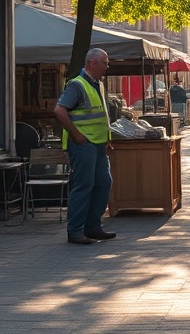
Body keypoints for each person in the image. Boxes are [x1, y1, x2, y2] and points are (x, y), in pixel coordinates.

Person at [54, 48, 116, 245]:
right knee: (83, 186)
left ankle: (92, 226)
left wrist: (106, 138)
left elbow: (100, 115)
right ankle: (75, 231)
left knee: (103, 183)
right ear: (92, 63)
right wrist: (76, 134)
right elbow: (59, 110)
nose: (107, 67)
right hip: (84, 144)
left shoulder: (98, 84)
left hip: (97, 145)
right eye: (104, 63)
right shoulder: (77, 85)